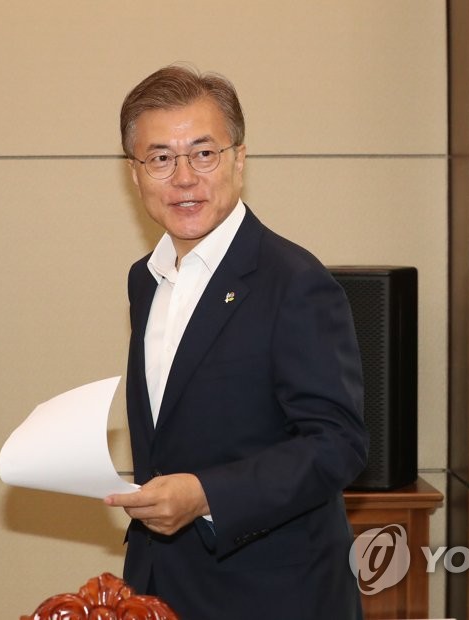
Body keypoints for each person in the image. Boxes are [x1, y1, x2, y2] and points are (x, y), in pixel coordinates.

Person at [104, 64, 369, 620]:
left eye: (204, 154)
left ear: (239, 160)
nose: (183, 178)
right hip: (158, 586)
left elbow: (338, 444)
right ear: (135, 174)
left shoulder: (295, 282)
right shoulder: (143, 279)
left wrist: (205, 495)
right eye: (160, 158)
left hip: (271, 594)